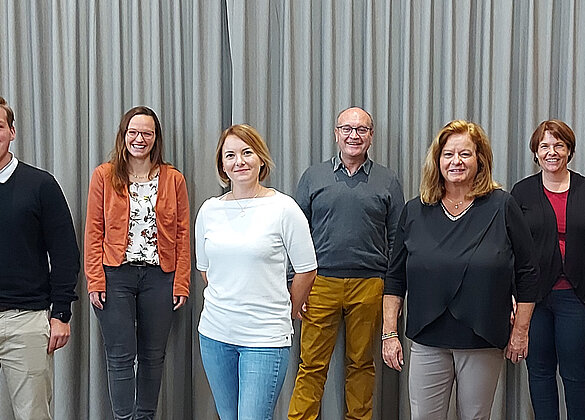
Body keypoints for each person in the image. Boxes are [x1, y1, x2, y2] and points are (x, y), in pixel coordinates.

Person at [382, 120, 539, 420]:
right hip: (428, 338)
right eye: (448, 154)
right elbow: (395, 277)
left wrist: (521, 331)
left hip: (482, 338)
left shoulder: (502, 206)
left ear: (480, 159)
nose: (456, 161)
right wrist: (389, 333)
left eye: (465, 154)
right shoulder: (414, 210)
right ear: (437, 160)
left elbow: (528, 272)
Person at [288, 107, 405, 420]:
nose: (354, 135)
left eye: (362, 129)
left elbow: (397, 238)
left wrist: (393, 288)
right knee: (311, 365)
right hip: (319, 284)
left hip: (370, 286)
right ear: (336, 134)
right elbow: (296, 235)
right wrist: (294, 285)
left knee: (362, 365)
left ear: (371, 136)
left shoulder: (388, 180)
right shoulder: (313, 176)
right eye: (347, 129)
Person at [195, 124, 317, 420]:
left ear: (261, 159)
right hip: (215, 336)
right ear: (222, 165)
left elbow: (307, 269)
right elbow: (206, 270)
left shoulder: (283, 208)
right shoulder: (209, 210)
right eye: (230, 155)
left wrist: (288, 308)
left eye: (247, 152)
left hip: (264, 339)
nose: (239, 161)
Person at [84, 106, 190, 419]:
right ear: (124, 136)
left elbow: (183, 234)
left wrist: (181, 282)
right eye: (133, 132)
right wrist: (95, 279)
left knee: (153, 357)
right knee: (119, 357)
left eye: (146, 133)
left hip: (160, 277)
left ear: (156, 138)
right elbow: (93, 231)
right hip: (115, 276)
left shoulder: (173, 179)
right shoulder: (104, 175)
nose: (139, 139)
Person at [0, 96, 80, 420]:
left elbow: (65, 253)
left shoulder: (41, 184)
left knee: (32, 414)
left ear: (12, 131)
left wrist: (61, 313)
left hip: (26, 321)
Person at [511, 120, 585, 419]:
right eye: (544, 146)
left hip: (576, 297)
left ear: (569, 151)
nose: (551, 152)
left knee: (576, 374)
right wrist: (512, 295)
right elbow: (510, 248)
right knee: (539, 372)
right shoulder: (522, 193)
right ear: (536, 152)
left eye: (559, 146)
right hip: (534, 299)